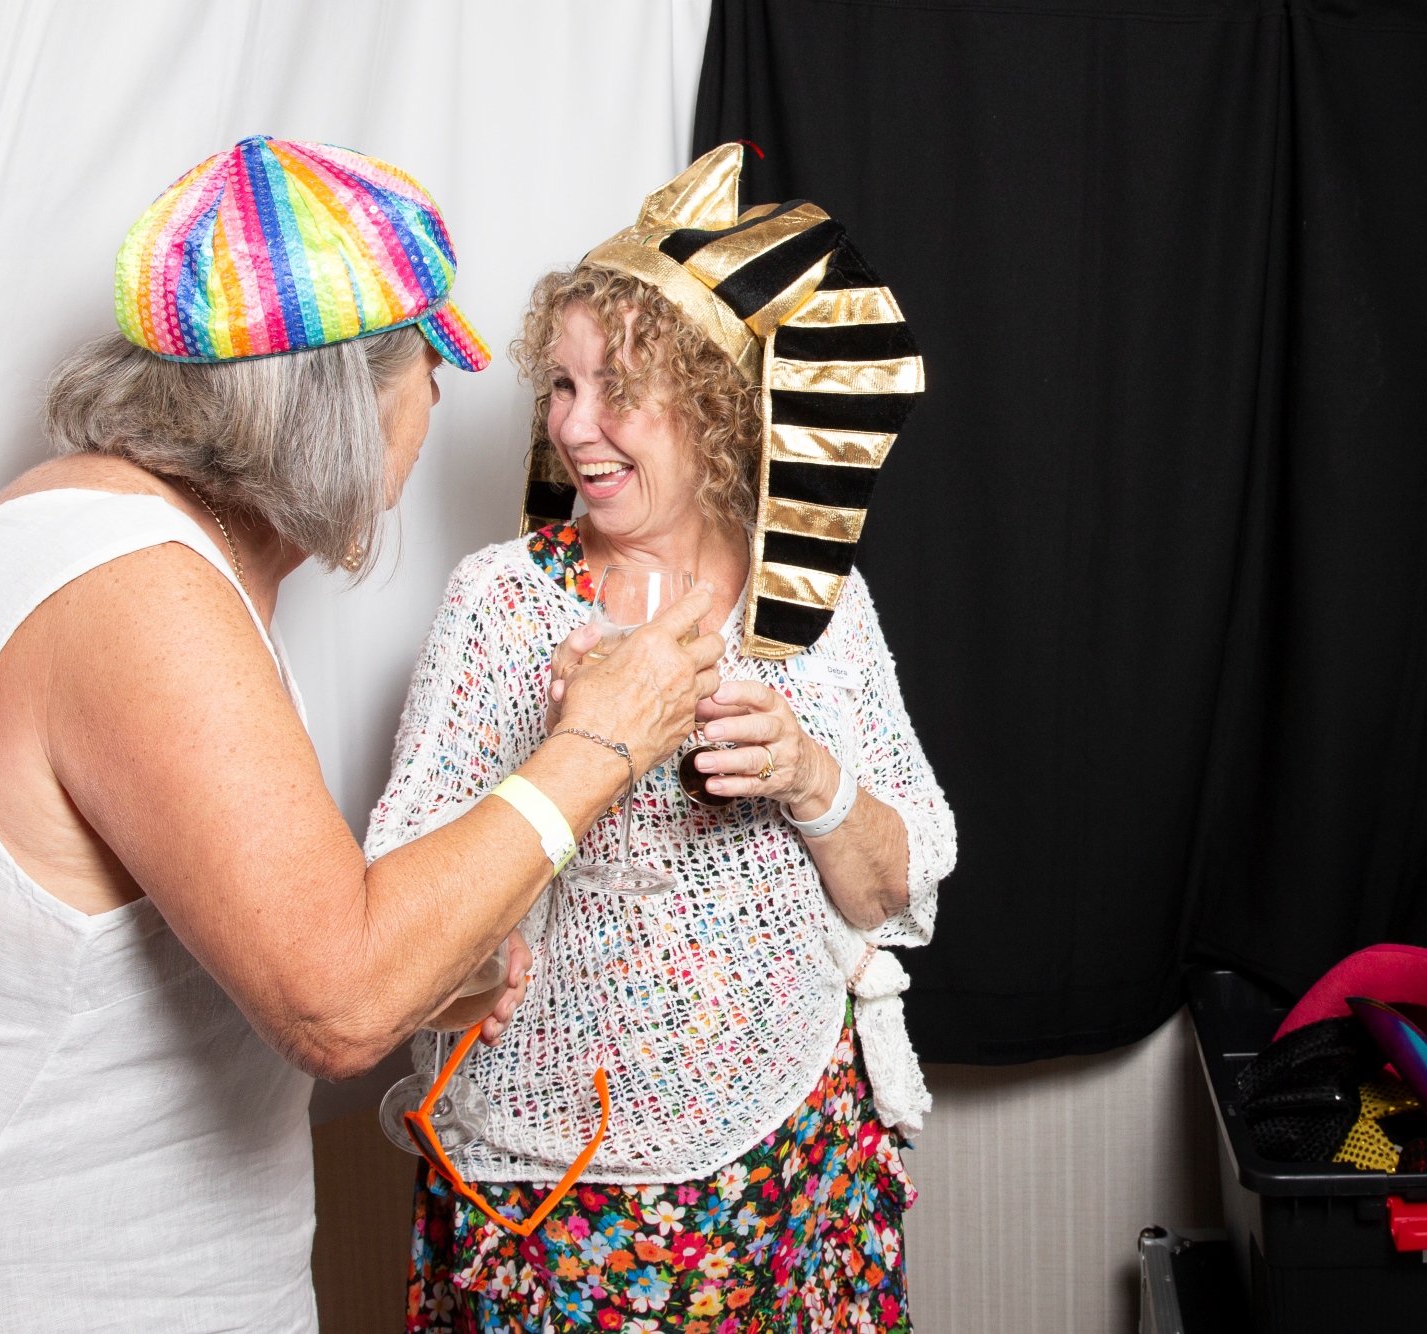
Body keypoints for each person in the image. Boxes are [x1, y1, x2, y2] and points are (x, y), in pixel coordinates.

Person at [0, 137, 723, 1332]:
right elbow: (336, 1000)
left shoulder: (67, 529)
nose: (435, 408)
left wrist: (431, 960)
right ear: (342, 398)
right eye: (426, 371)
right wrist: (598, 744)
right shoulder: (137, 594)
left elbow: (277, 943)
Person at [375, 144, 955, 1332]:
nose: (575, 425)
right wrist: (567, 746)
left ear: (715, 403)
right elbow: (394, 929)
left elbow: (902, 886)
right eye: (560, 384)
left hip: (793, 1166)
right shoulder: (502, 602)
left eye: (617, 389)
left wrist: (805, 773)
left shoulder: (812, 603)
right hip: (554, 1191)